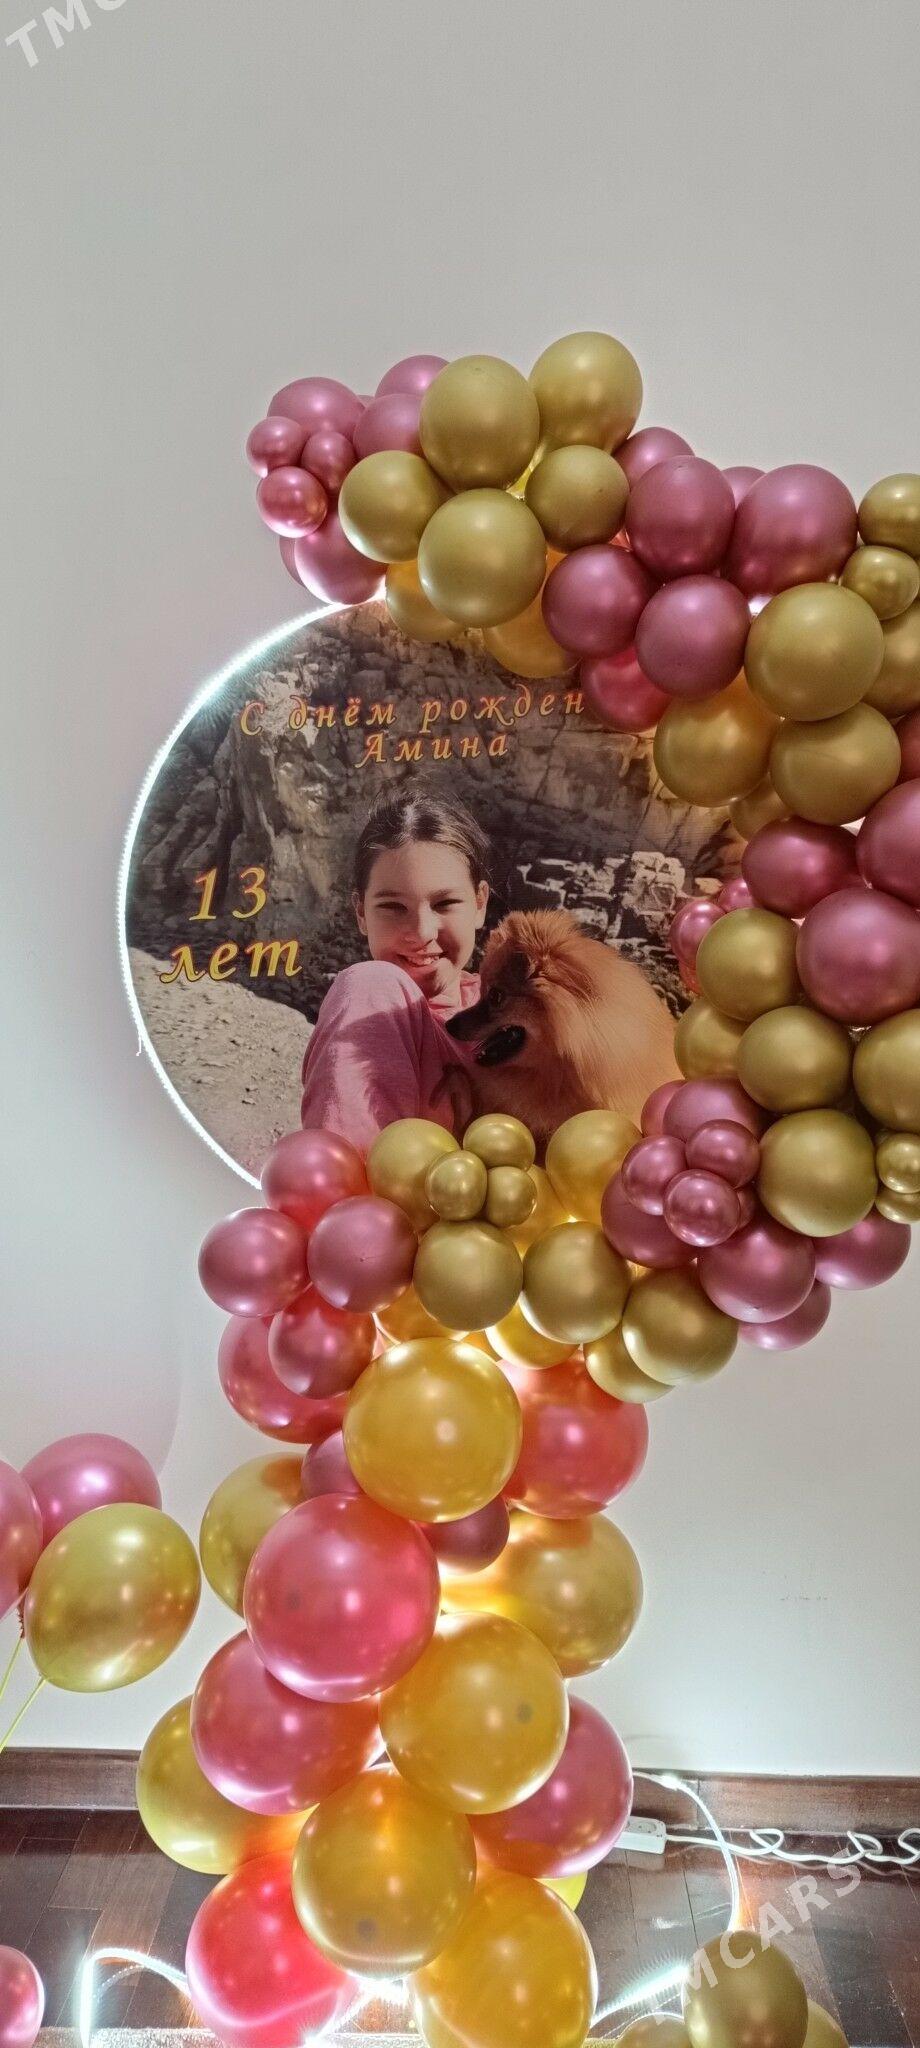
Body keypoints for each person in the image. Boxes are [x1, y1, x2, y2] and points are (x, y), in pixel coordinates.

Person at [301, 787, 491, 1152]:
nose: (422, 932)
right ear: (361, 912)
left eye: (445, 904)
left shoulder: (521, 1013)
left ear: (480, 903)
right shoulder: (369, 995)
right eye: (393, 907)